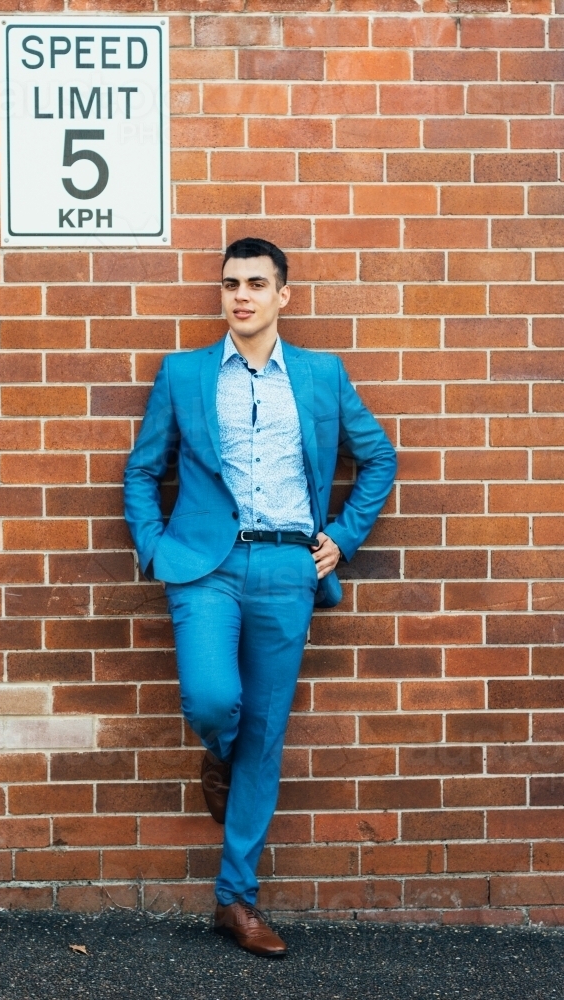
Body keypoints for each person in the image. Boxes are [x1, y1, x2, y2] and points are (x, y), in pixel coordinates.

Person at [124, 237, 397, 956]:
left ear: (283, 295)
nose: (239, 295)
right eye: (229, 284)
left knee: (266, 740)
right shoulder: (183, 375)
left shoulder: (318, 374)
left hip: (287, 569)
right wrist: (155, 547)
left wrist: (343, 535)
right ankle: (220, 750)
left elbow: (377, 457)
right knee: (215, 701)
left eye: (254, 283)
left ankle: (235, 899)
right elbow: (142, 469)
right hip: (204, 567)